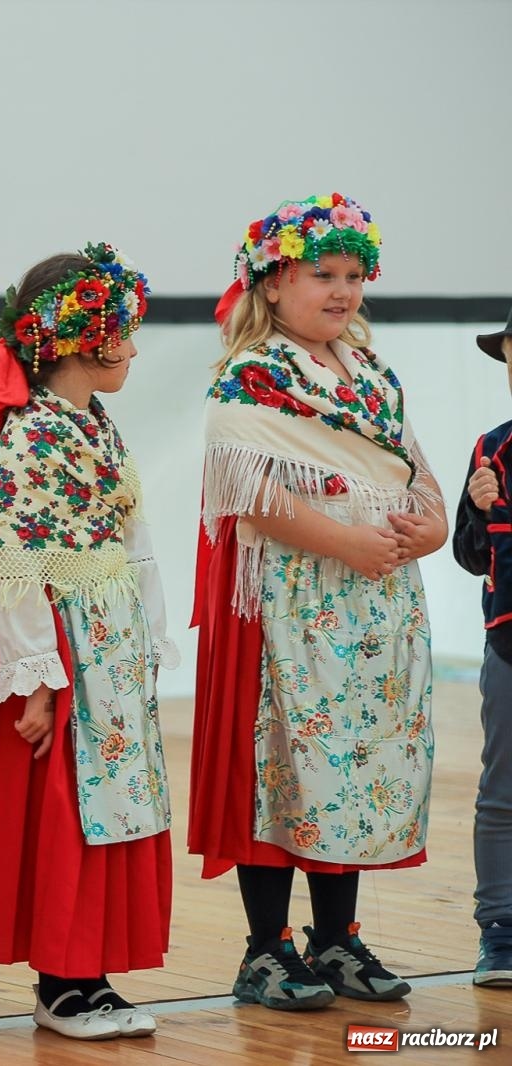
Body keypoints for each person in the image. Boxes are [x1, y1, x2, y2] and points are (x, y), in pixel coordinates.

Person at [0, 244, 172, 1040]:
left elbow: (131, 530)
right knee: (69, 813)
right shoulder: (32, 434)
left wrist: (146, 631)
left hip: (108, 641)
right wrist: (37, 679)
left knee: (113, 809)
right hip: (69, 644)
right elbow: (12, 561)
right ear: (80, 338)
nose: (131, 345)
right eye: (120, 330)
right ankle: (64, 983)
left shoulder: (93, 422)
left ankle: (90, 971)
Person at [190, 193, 445, 1010]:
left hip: (377, 603)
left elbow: (411, 466)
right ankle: (265, 951)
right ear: (271, 285)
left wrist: (433, 524)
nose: (341, 291)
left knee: (359, 766)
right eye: (320, 275)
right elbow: (246, 492)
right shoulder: (253, 375)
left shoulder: (371, 374)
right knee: (287, 764)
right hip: (297, 603)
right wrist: (345, 543)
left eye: (352, 275)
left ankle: (336, 941)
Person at [451, 304, 512, 989]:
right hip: (509, 641)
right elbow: (472, 556)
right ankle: (501, 934)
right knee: (502, 796)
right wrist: (476, 503)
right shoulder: (491, 447)